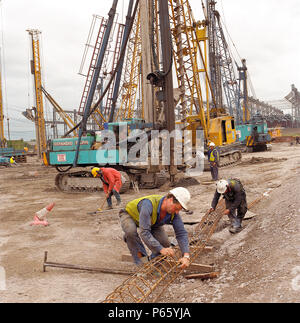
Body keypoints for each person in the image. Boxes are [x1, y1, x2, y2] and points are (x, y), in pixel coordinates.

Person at [119, 187, 191, 269]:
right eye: (177, 208)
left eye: (179, 210)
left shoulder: (173, 213)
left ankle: (152, 263)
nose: (177, 212)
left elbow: (181, 233)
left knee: (165, 243)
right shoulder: (148, 205)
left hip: (152, 221)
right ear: (170, 199)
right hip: (130, 215)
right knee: (131, 232)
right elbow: (144, 232)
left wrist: (186, 255)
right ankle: (142, 263)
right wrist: (161, 249)